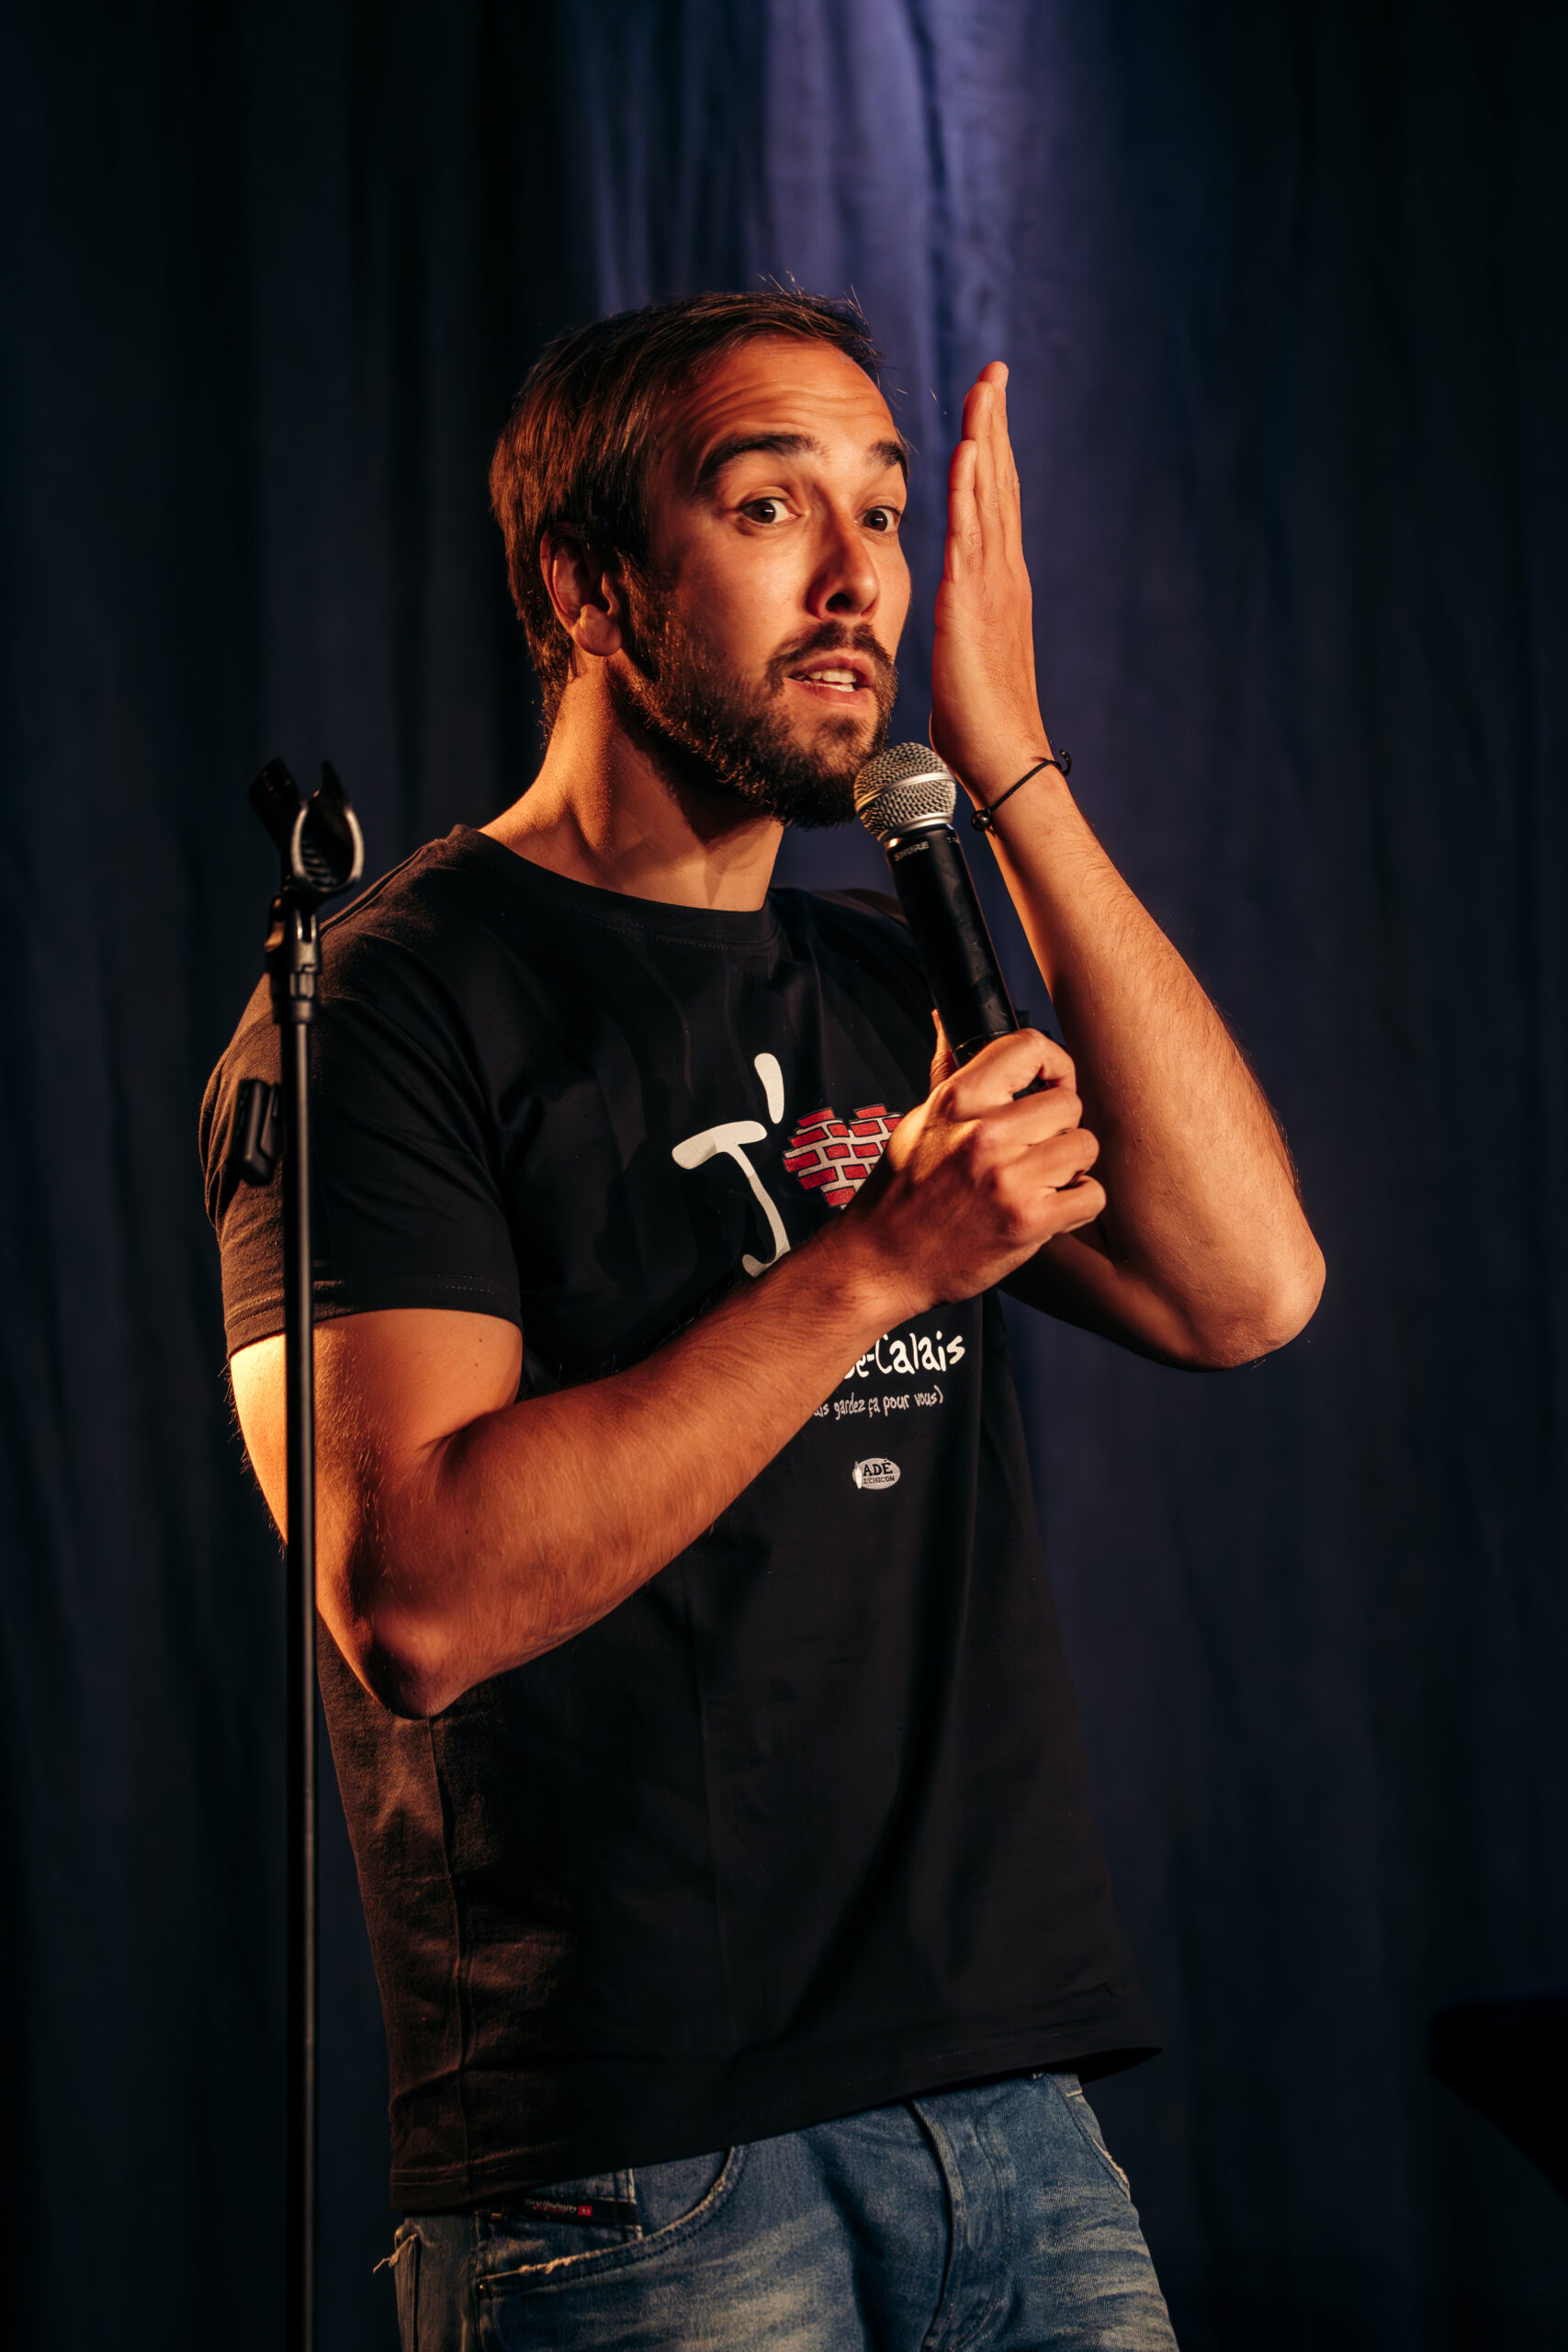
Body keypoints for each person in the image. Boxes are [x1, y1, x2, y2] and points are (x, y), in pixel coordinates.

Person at [203, 290, 1323, 2350]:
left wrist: (1015, 778)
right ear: (589, 583)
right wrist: (879, 1262)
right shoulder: (392, 1000)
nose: (855, 578)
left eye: (882, 514)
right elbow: (413, 1595)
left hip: (1010, 2110)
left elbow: (1243, 1283)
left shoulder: (873, 972)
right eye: (766, 504)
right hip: (638, 2171)